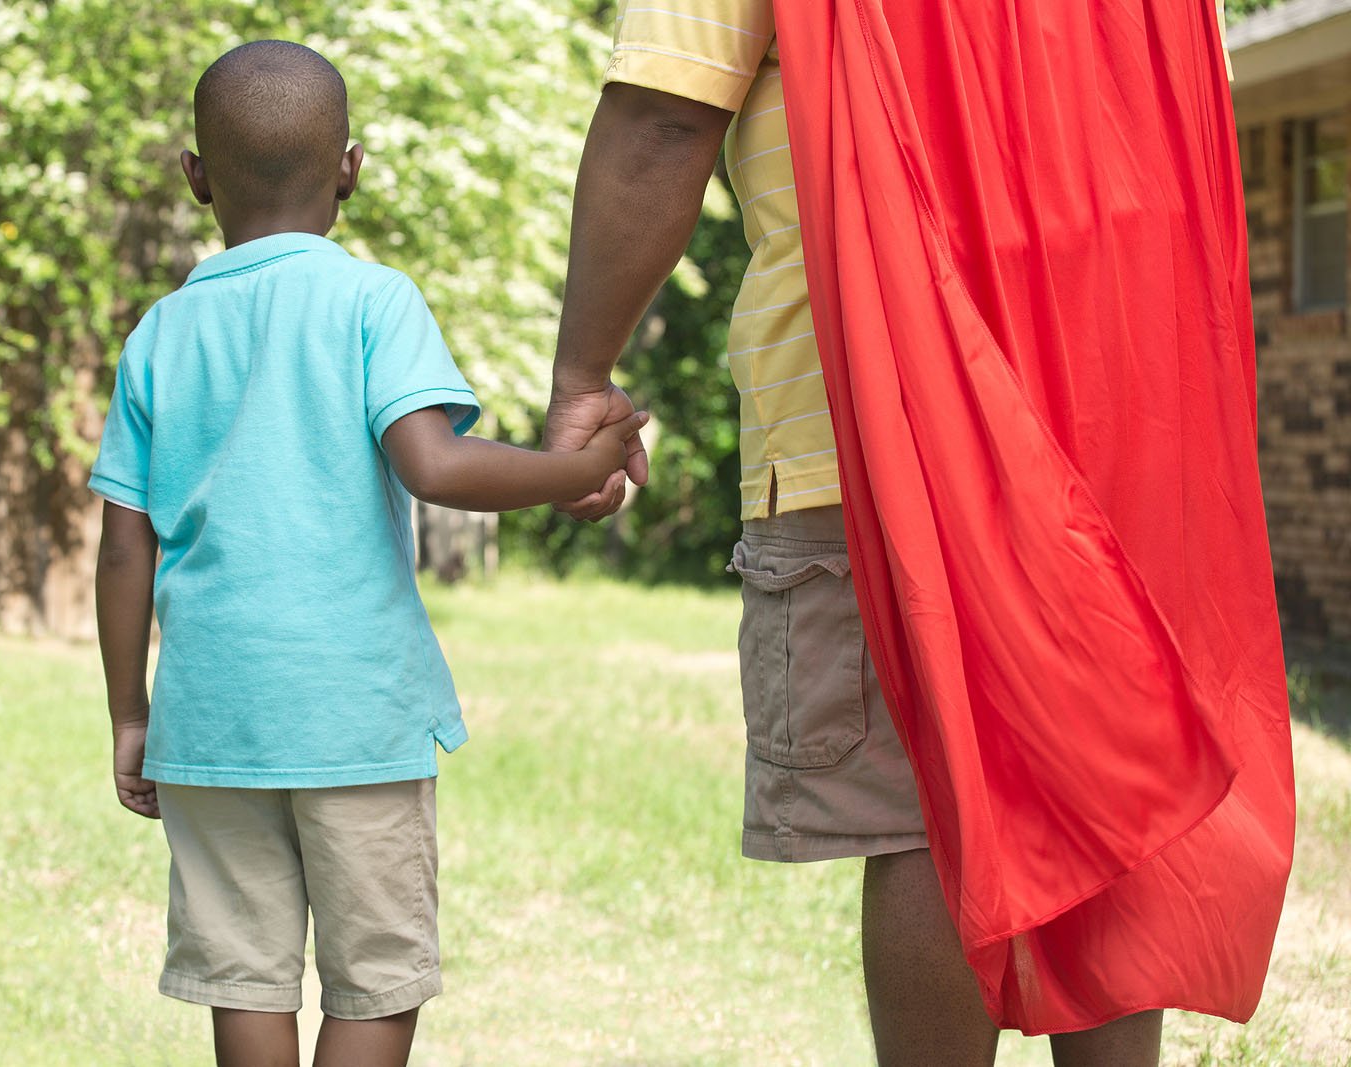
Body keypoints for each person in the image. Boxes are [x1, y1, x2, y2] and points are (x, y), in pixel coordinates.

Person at [544, 2, 1291, 1065]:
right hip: (1121, 414)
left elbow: (664, 119)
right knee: (1120, 783)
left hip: (878, 412)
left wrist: (582, 374)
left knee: (925, 816)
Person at [90, 41, 644, 1067]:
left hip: (212, 716)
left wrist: (132, 712)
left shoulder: (159, 333)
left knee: (243, 975)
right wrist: (568, 469)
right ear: (351, 167)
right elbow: (431, 464)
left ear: (196, 176)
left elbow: (124, 548)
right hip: (352, 711)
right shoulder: (372, 300)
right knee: (376, 974)